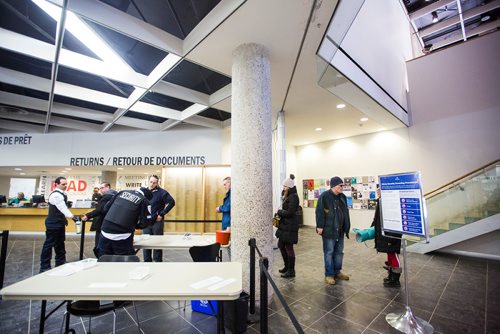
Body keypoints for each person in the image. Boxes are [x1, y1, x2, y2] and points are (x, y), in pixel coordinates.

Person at [98, 187, 153, 256]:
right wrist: (134, 225)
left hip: (105, 231)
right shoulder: (144, 200)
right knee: (124, 263)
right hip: (123, 236)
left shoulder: (122, 192)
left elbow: (106, 208)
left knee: (104, 261)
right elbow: (145, 223)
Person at [315, 176, 351, 285]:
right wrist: (319, 226)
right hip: (329, 231)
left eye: (342, 186)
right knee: (329, 252)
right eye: (340, 185)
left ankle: (337, 272)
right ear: (334, 185)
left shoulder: (342, 197)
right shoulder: (324, 196)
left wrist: (346, 227)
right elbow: (319, 212)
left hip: (340, 231)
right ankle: (329, 275)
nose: (342, 187)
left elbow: (345, 213)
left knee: (339, 252)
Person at [39, 177, 74, 272]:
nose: (65, 186)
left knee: (60, 243)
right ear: (57, 184)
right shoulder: (56, 195)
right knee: (49, 244)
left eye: (66, 184)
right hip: (53, 223)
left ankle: (60, 262)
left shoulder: (62, 194)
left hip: (59, 222)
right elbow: (62, 208)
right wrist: (72, 216)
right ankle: (44, 266)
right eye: (63, 184)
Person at [371, 186, 402, 287]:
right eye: (377, 190)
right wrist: (373, 227)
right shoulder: (381, 201)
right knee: (389, 253)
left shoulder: (391, 202)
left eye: (379, 190)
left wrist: (393, 236)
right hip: (386, 234)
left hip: (392, 234)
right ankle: (391, 276)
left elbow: (395, 219)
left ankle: (395, 279)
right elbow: (377, 218)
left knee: (394, 254)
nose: (378, 191)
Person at [143, 175, 176, 262]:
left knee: (157, 243)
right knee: (146, 244)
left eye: (154, 182)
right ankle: (147, 262)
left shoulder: (162, 192)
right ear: (148, 181)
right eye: (151, 182)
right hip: (145, 222)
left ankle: (158, 263)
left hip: (157, 222)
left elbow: (172, 202)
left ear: (157, 183)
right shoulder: (144, 192)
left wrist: (161, 214)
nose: (152, 184)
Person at [81, 182, 117, 258]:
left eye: (102, 188)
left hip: (102, 223)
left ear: (108, 187)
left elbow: (100, 210)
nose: (100, 190)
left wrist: (88, 215)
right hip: (112, 224)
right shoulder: (116, 196)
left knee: (99, 247)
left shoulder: (106, 197)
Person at [276, 175, 300, 278]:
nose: (283, 188)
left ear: (289, 187)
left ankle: (291, 271)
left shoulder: (293, 197)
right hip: (285, 225)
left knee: (289, 247)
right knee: (281, 245)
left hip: (290, 226)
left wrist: (279, 212)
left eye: (285, 186)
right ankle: (287, 266)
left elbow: (290, 212)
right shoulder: (287, 195)